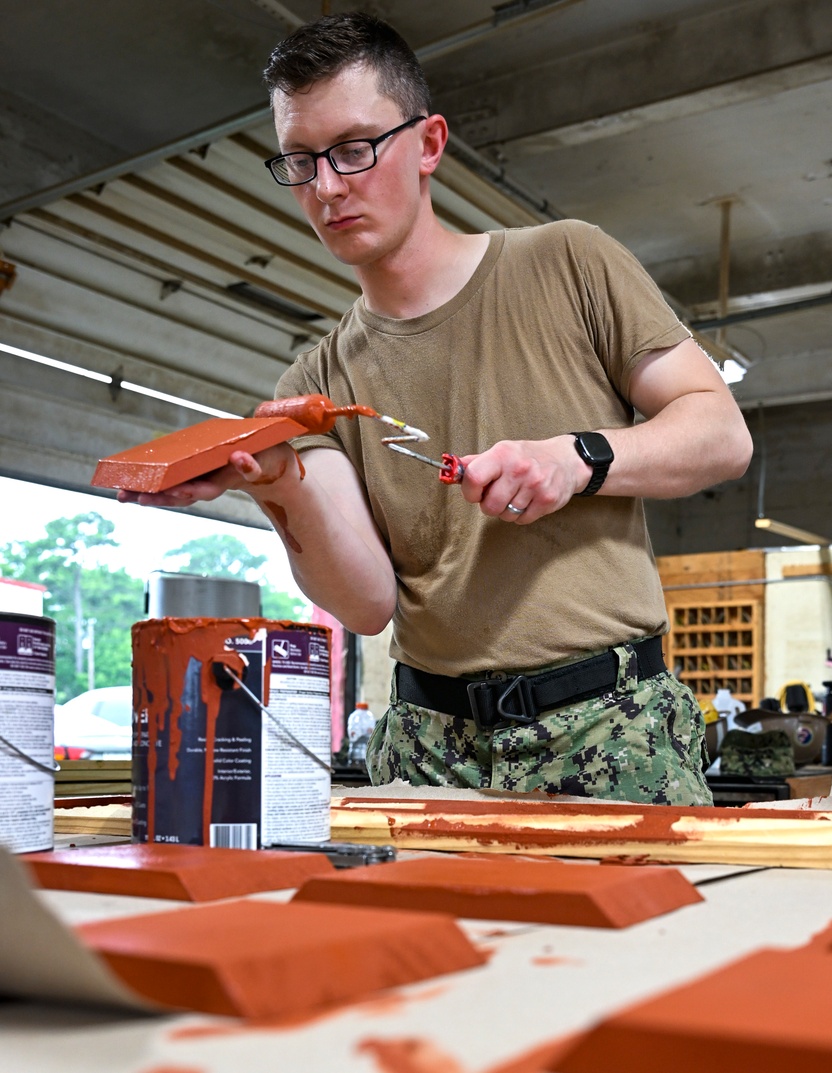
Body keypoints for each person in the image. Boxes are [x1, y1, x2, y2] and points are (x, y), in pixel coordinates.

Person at [123, 11, 753, 805]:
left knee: (639, 934)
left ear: (427, 143)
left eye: (354, 150)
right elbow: (367, 602)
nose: (326, 188)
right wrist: (280, 487)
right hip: (429, 748)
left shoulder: (568, 262)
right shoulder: (315, 383)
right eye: (299, 160)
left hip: (610, 731)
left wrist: (575, 459)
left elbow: (720, 432)